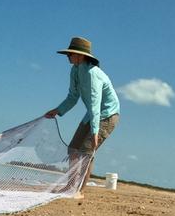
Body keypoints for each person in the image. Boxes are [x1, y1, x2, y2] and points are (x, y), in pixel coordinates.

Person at [44, 36, 120, 198]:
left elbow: (94, 103)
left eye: (70, 54)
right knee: (73, 148)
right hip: (92, 115)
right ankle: (70, 186)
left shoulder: (93, 74)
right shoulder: (75, 70)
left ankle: (79, 191)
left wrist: (94, 132)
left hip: (107, 115)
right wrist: (57, 110)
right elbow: (73, 96)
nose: (68, 57)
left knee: (86, 153)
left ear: (80, 55)